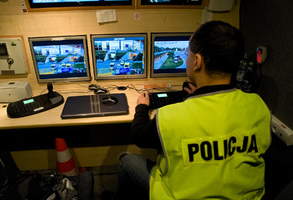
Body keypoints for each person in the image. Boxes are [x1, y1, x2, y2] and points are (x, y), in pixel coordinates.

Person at [111, 21, 271, 200]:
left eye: (188, 53)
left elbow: (138, 135)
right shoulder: (258, 106)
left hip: (179, 195)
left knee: (126, 161)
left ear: (197, 61)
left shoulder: (170, 116)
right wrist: (201, 95)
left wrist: (141, 107)